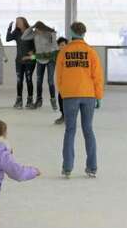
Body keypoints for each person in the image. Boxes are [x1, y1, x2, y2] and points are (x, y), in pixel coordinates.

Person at [56, 22, 104, 178]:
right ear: (84, 33)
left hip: (70, 95)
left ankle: (67, 168)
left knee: (70, 130)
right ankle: (92, 168)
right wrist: (98, 96)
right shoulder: (90, 52)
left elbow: (59, 75)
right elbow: (97, 77)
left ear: (71, 33)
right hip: (88, 94)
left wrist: (63, 92)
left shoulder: (64, 52)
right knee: (88, 130)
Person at [6, 18, 35, 109]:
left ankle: (30, 100)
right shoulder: (16, 32)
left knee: (28, 79)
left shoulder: (31, 32)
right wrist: (9, 28)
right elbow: (7, 39)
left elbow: (37, 44)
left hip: (30, 61)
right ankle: (19, 100)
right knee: (19, 80)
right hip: (19, 61)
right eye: (16, 22)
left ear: (24, 22)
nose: (17, 23)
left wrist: (33, 52)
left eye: (19, 21)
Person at [30, 22, 58, 110]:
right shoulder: (35, 35)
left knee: (50, 81)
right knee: (39, 81)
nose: (36, 31)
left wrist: (53, 35)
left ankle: (53, 101)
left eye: (37, 29)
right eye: (35, 29)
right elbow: (24, 36)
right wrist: (31, 27)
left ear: (42, 28)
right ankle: (38, 101)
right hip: (39, 59)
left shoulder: (49, 34)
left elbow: (55, 46)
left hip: (50, 59)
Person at [53, 36, 68, 126]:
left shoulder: (70, 53)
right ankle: (63, 115)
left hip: (71, 81)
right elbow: (44, 55)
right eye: (60, 45)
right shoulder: (56, 54)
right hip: (61, 81)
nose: (62, 47)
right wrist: (32, 57)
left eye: (63, 45)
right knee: (60, 97)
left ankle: (69, 116)